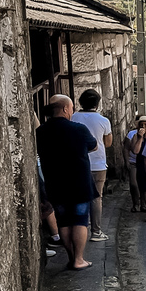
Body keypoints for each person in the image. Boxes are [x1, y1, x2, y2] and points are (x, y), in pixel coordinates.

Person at [35, 94, 98, 270]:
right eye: (71, 108)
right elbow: (93, 145)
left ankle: (71, 258)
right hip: (79, 182)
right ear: (64, 109)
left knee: (63, 221)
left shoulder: (40, 132)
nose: (72, 111)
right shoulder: (78, 129)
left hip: (55, 182)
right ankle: (79, 259)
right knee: (79, 221)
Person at [70, 89, 113, 242]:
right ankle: (96, 231)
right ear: (97, 103)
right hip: (98, 163)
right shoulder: (103, 120)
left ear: (81, 102)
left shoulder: (73, 117)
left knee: (78, 196)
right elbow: (108, 143)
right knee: (97, 197)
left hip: (77, 162)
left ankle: (80, 227)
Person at [123, 120, 142, 212]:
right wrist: (127, 161)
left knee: (144, 184)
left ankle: (144, 204)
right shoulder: (131, 134)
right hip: (133, 162)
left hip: (145, 162)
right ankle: (136, 203)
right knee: (134, 184)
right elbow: (126, 148)